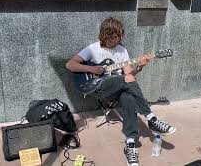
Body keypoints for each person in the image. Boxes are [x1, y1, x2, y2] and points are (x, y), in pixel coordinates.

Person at [65, 17, 176, 166]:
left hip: (120, 87)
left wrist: (140, 67)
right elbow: (70, 65)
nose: (121, 38)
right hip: (99, 88)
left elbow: (129, 76)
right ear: (108, 35)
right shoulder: (93, 49)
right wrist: (91, 69)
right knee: (126, 81)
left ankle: (130, 145)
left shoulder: (122, 50)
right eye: (118, 35)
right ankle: (152, 119)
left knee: (128, 97)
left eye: (121, 35)